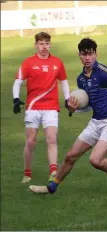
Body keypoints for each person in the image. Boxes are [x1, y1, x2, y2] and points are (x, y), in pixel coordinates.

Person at [29, 37, 107, 197]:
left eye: (90, 54)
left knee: (95, 160)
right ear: (79, 55)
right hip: (95, 122)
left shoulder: (105, 73)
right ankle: (51, 187)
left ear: (95, 54)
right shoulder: (81, 79)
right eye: (84, 54)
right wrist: (73, 109)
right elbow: (89, 105)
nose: (87, 58)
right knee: (71, 156)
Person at [12, 32, 71, 184]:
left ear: (50, 45)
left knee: (51, 139)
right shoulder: (28, 63)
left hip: (51, 107)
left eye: (47, 43)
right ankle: (27, 173)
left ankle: (53, 172)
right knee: (31, 141)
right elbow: (18, 81)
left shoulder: (57, 62)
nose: (44, 47)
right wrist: (16, 99)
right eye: (41, 43)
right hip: (33, 107)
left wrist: (67, 99)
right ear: (36, 45)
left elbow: (63, 81)